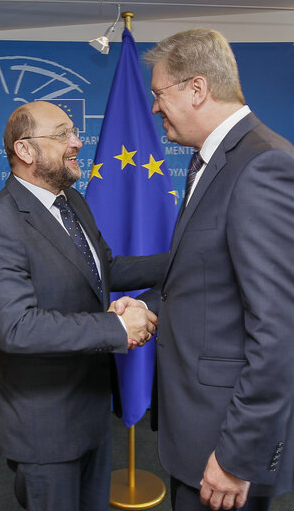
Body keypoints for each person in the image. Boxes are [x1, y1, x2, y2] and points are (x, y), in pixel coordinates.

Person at [114, 28, 294, 511]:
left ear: (197, 89)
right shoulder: (209, 162)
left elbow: (279, 329)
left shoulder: (262, 165)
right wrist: (148, 305)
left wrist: (239, 456)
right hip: (196, 429)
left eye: (159, 94)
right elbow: (203, 276)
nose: (154, 108)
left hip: (226, 443)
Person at [0, 100, 167, 511]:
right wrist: (117, 329)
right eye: (62, 134)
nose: (77, 142)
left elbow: (103, 269)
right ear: (25, 151)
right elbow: (16, 328)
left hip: (89, 407)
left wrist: (183, 258)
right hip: (43, 423)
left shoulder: (71, 201)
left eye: (74, 131)